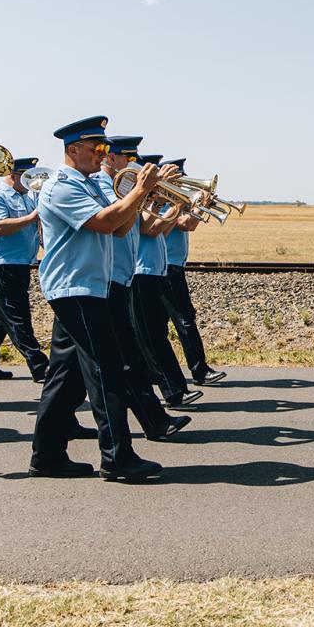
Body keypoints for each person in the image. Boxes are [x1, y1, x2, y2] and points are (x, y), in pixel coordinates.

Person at [29, 116, 163, 482]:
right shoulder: (60, 187)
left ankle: (47, 456)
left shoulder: (90, 185)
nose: (102, 155)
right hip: (76, 288)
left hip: (90, 287)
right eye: (96, 148)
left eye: (104, 148)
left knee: (66, 378)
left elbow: (120, 229)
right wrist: (139, 192)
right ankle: (117, 457)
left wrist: (140, 195)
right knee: (106, 371)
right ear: (72, 150)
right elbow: (103, 223)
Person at [94, 137, 194, 433]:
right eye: (128, 158)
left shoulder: (122, 185)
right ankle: (153, 421)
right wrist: (147, 193)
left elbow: (133, 223)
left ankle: (57, 428)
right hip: (104, 278)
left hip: (118, 276)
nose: (134, 164)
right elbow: (121, 222)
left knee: (74, 366)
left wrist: (154, 196)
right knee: (127, 356)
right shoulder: (102, 184)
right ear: (111, 159)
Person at [128, 153, 197, 408]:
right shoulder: (137, 195)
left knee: (152, 333)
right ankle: (173, 389)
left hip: (154, 269)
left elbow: (165, 229)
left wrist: (183, 204)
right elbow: (150, 229)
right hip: (140, 270)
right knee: (151, 335)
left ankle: (165, 388)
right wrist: (175, 204)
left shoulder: (152, 199)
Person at [0, 156, 49, 381]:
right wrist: (33, 217)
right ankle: (39, 364)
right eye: (27, 179)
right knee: (17, 316)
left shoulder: (28, 197)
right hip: (2, 264)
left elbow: (36, 228)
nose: (32, 184)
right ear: (13, 176)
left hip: (20, 263)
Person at [158, 156, 225, 386]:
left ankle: (160, 372)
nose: (184, 185)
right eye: (178, 179)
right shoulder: (165, 201)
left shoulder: (176, 200)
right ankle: (200, 370)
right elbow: (188, 224)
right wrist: (200, 206)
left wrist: (199, 205)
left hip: (173, 265)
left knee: (161, 324)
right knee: (185, 319)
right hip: (166, 267)